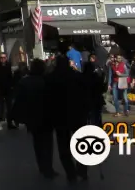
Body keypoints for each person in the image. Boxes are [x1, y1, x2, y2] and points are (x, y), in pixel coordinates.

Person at [46, 55, 89, 183]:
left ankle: (70, 173)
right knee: (81, 143)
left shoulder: (50, 79)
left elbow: (47, 99)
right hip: (77, 115)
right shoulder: (77, 76)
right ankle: (82, 170)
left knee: (63, 146)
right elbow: (86, 95)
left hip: (59, 117)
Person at [12, 59, 57, 179]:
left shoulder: (24, 82)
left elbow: (19, 100)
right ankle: (48, 168)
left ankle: (42, 166)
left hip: (32, 117)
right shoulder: (46, 81)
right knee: (48, 143)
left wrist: (18, 116)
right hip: (47, 116)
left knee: (37, 142)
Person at [82, 54, 106, 126]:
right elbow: (103, 88)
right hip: (97, 100)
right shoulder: (97, 77)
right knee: (97, 117)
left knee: (89, 117)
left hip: (88, 100)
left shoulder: (83, 78)